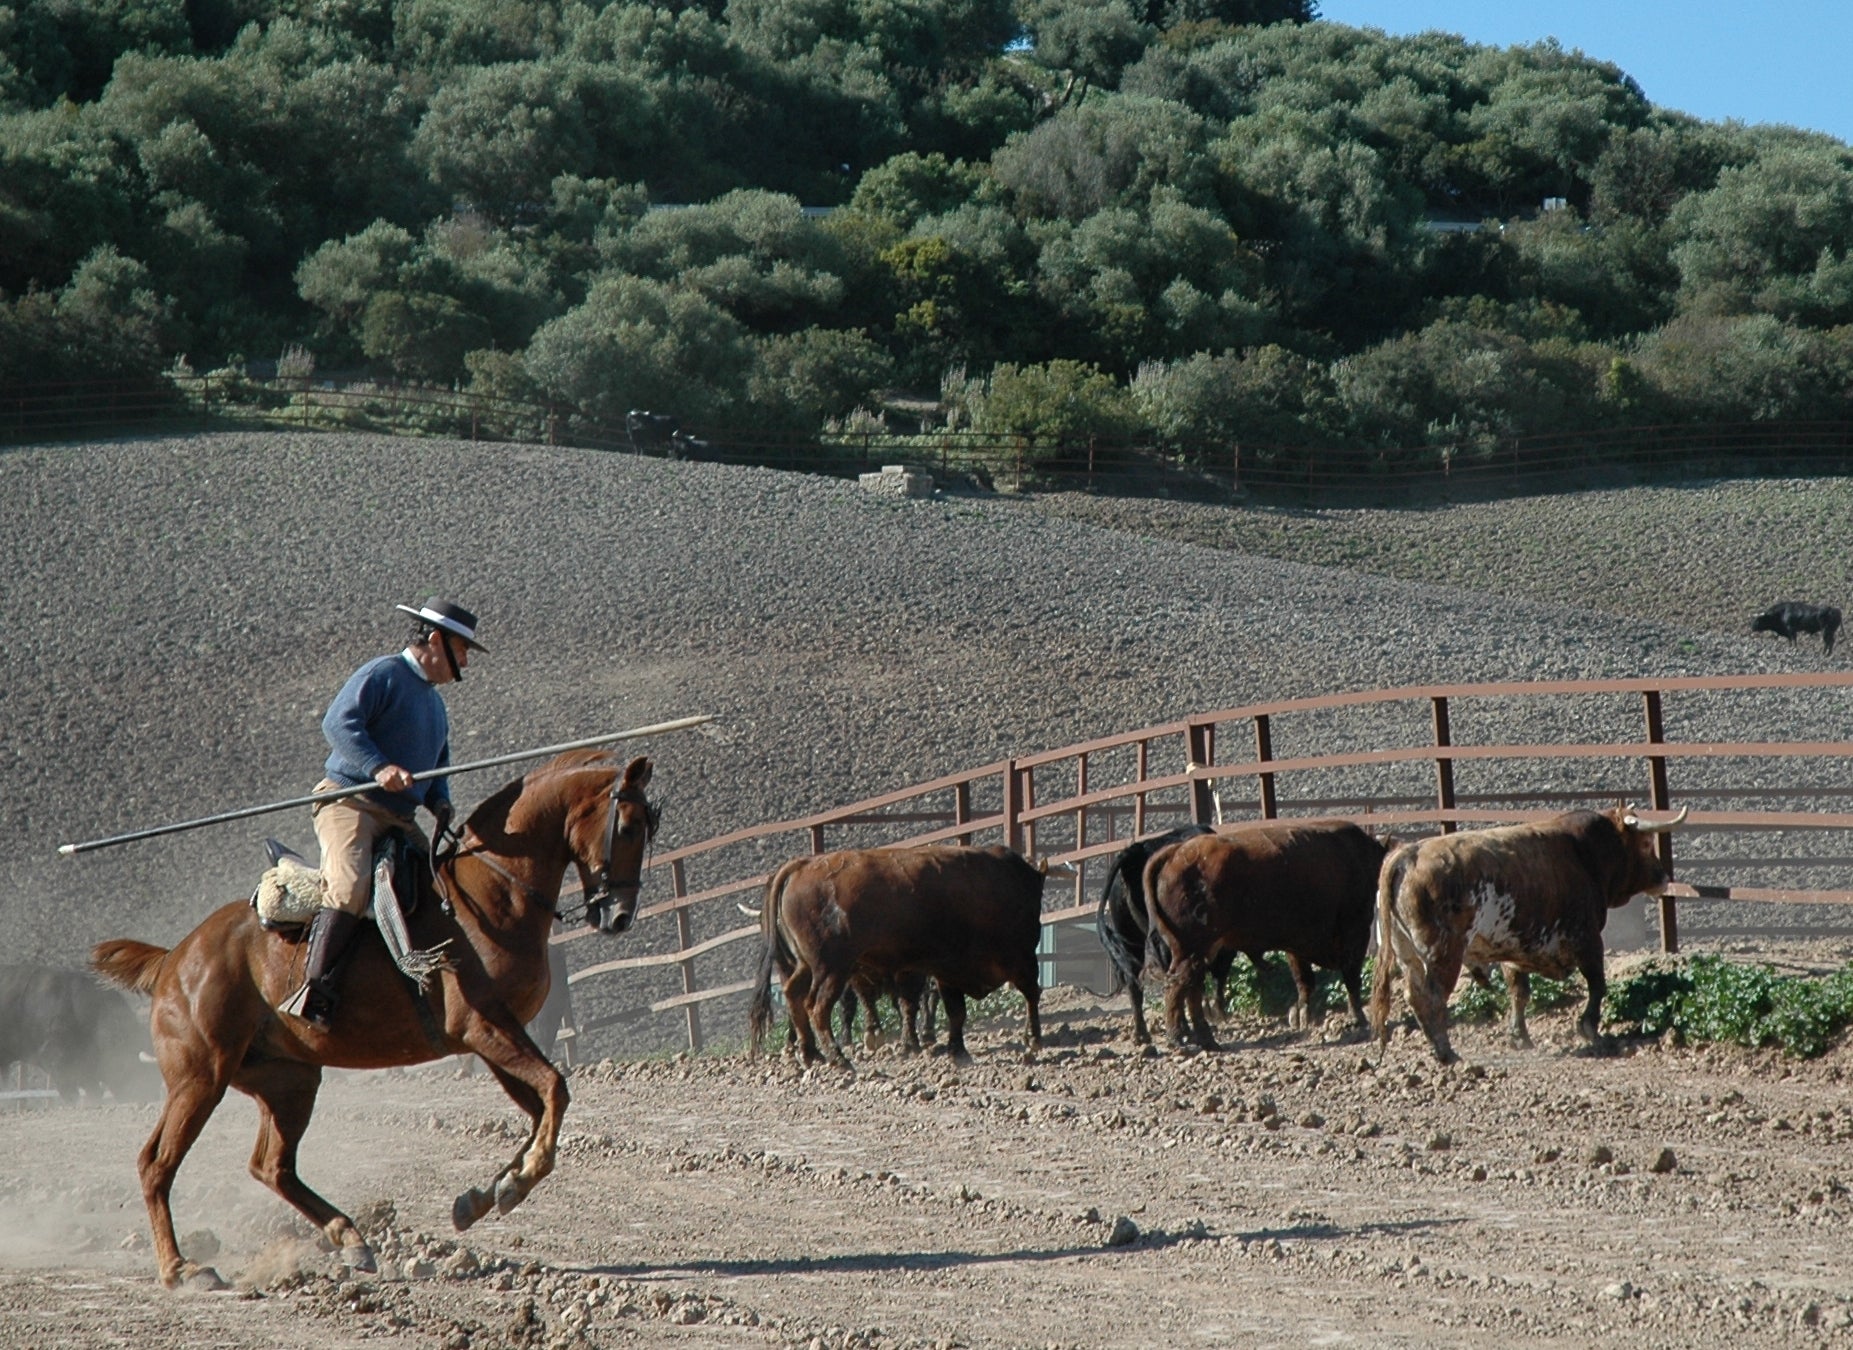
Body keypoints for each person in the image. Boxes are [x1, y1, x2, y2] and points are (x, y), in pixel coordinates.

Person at [284, 598, 486, 1029]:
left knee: (443, 888)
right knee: (350, 886)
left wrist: (440, 801)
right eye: (462, 648)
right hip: (349, 801)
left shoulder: (435, 706)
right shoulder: (383, 673)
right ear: (435, 641)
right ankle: (313, 992)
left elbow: (437, 768)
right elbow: (338, 724)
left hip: (399, 817)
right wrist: (378, 767)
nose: (466, 660)